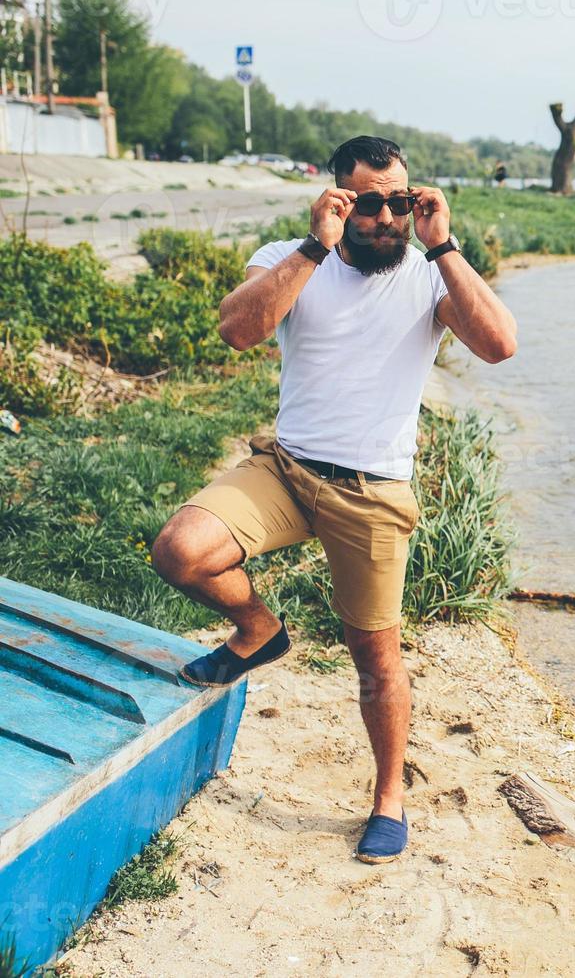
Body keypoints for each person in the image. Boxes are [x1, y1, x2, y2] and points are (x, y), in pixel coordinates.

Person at [150, 135, 518, 865]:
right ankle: (258, 630)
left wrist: (444, 246)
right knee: (179, 551)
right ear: (338, 201)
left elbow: (500, 345)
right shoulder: (289, 256)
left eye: (401, 202)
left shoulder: (427, 272)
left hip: (374, 491)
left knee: (375, 656)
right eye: (370, 203)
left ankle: (389, 798)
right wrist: (314, 249)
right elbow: (236, 330)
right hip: (286, 471)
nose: (387, 218)